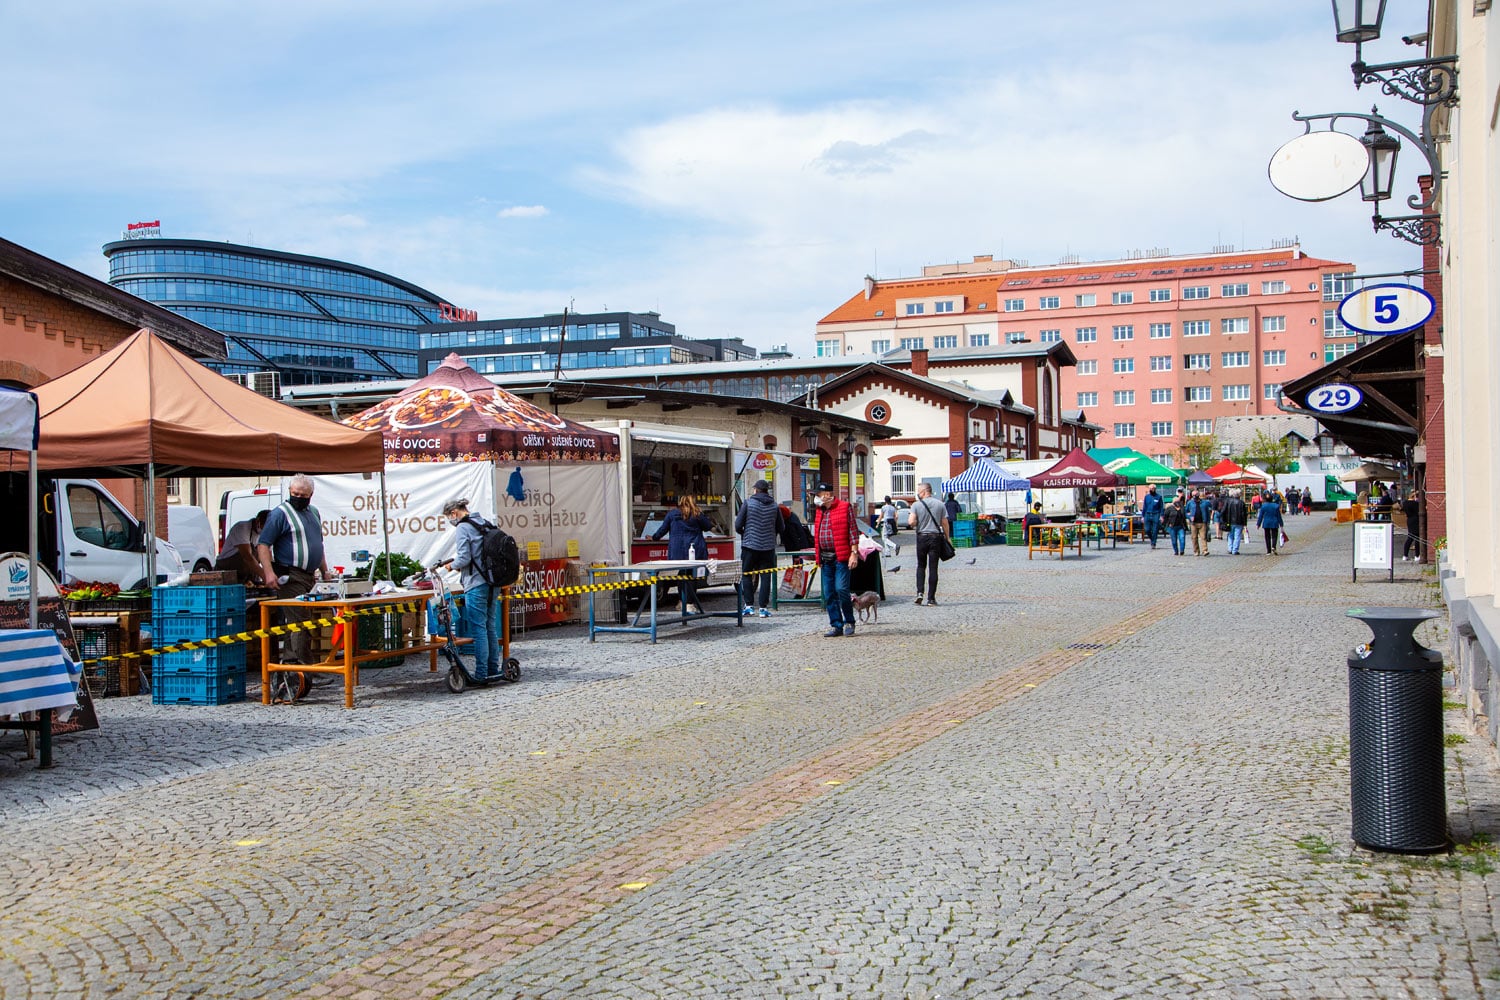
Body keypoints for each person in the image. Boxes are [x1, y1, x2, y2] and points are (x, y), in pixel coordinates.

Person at [256, 475, 330, 664]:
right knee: (301, 622)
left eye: (302, 495)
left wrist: (325, 571)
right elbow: (263, 544)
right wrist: (268, 572)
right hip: (290, 575)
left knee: (298, 622)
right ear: (290, 491)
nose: (298, 497)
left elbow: (318, 545)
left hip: (308, 576)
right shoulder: (280, 513)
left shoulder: (313, 512)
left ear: (310, 495)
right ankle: (305, 668)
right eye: (295, 493)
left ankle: (291, 664)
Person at [440, 498, 502, 685]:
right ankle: (493, 668)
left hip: (475, 583)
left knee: (479, 628)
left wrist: (452, 566)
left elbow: (464, 558)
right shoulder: (485, 523)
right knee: (490, 626)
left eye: (449, 517)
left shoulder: (463, 527)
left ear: (454, 513)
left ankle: (481, 673)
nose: (451, 521)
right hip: (493, 581)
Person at [813, 482, 860, 637]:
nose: (816, 498)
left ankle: (849, 621)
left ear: (826, 495)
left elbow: (853, 531)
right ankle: (836, 625)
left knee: (841, 589)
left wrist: (854, 553)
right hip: (825, 558)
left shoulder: (845, 507)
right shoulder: (819, 511)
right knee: (829, 593)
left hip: (841, 557)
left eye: (818, 495)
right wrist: (817, 555)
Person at [652, 495, 713, 614]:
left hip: (677, 550)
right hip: (694, 549)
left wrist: (654, 537)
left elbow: (662, 530)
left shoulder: (672, 514)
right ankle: (689, 603)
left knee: (681, 576)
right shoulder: (697, 514)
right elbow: (708, 526)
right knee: (692, 577)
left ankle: (682, 601)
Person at [735, 479, 784, 618]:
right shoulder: (774, 506)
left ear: (756, 490)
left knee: (746, 574)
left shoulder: (748, 503)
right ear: (767, 491)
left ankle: (749, 606)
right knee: (766, 576)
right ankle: (763, 608)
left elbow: (738, 524)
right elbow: (781, 527)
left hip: (750, 545)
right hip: (768, 547)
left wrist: (744, 533)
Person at [908, 482, 950, 607]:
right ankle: (931, 599)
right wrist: (948, 538)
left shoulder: (916, 505)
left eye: (919, 491)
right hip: (935, 538)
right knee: (933, 568)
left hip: (922, 537)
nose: (918, 494)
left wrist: (916, 522)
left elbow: (911, 522)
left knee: (921, 566)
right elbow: (945, 523)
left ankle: (919, 593)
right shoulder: (940, 504)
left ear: (924, 491)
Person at [215, 509, 269, 583]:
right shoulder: (242, 528)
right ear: (258, 521)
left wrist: (270, 572)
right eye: (265, 527)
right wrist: (264, 575)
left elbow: (266, 556)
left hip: (246, 576)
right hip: (227, 573)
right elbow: (247, 557)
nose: (266, 530)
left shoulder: (265, 534)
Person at [1256, 490, 1284, 555]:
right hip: (1274, 522)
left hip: (1266, 523)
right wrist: (1281, 524)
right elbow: (1279, 516)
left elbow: (1260, 516)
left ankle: (1268, 551)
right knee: (1274, 536)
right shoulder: (1276, 506)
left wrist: (1258, 524)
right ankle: (1273, 546)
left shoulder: (1263, 506)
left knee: (1267, 536)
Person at [1221, 488, 1248, 555]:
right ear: (1239, 496)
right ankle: (1235, 550)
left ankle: (1230, 549)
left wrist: (1225, 520)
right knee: (1237, 536)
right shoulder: (1241, 503)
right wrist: (1245, 523)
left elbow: (1225, 511)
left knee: (1230, 535)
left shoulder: (1229, 502)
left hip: (1230, 521)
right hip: (1239, 521)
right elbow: (1244, 514)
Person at [1186, 489, 1211, 556]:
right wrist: (1189, 516)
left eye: (1196, 495)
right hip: (1193, 523)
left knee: (1203, 537)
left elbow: (1207, 512)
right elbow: (1186, 512)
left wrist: (1208, 521)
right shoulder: (1190, 503)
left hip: (1202, 522)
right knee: (1194, 537)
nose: (1195, 496)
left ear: (1198, 495)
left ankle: (1205, 550)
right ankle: (1196, 551)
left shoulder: (1204, 502)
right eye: (1193, 495)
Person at [1140, 485, 1164, 549]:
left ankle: (1153, 543)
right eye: (1150, 488)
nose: (1151, 489)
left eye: (1152, 488)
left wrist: (1161, 516)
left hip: (1156, 514)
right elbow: (1144, 507)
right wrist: (1142, 516)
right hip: (1147, 514)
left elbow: (1161, 507)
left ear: (1155, 489)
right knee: (1147, 529)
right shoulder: (1147, 497)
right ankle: (1152, 539)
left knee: (1155, 530)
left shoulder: (1159, 497)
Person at [1401, 490, 1422, 561]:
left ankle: (1405, 555)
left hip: (1409, 520)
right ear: (1414, 496)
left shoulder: (1405, 503)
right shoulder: (1416, 504)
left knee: (1410, 538)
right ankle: (1417, 555)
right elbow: (1419, 511)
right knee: (1417, 538)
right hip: (1416, 520)